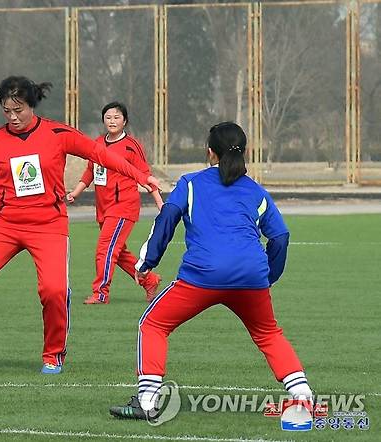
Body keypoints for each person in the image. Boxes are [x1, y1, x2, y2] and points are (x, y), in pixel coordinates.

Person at [0, 76, 161, 375]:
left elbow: (101, 155)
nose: (14, 117)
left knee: (54, 290)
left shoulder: (58, 133)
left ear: (32, 105)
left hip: (48, 225)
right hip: (3, 225)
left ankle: (53, 354)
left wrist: (141, 176)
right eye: (7, 111)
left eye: (19, 109)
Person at [110, 122, 313, 420]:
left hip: (203, 276)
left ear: (209, 153)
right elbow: (280, 236)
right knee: (268, 333)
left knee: (153, 325)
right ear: (245, 152)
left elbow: (168, 216)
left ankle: (147, 401)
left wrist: (146, 263)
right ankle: (304, 396)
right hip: (251, 278)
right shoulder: (256, 191)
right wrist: (268, 276)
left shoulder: (191, 183)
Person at [66, 102, 164, 305]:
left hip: (124, 206)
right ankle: (149, 280)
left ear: (125, 121)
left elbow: (145, 176)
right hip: (104, 207)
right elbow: (90, 172)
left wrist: (160, 205)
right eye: (108, 117)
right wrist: (75, 192)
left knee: (105, 249)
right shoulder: (97, 143)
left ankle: (100, 293)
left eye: (116, 117)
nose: (112, 121)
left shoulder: (132, 145)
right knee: (117, 253)